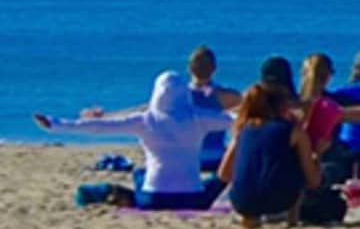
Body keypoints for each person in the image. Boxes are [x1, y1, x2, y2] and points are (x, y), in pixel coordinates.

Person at [35, 70, 234, 210]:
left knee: (141, 173)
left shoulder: (145, 120)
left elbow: (100, 127)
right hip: (193, 198)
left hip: (153, 198)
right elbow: (238, 121)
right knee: (219, 178)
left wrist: (56, 124)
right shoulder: (198, 118)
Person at [218, 82, 342, 227]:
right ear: (282, 105)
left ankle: (251, 218)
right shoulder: (294, 132)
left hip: (241, 203)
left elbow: (224, 174)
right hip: (280, 202)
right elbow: (313, 181)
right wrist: (319, 154)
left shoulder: (242, 130)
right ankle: (292, 219)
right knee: (301, 163)